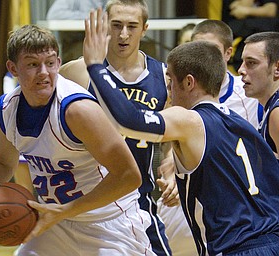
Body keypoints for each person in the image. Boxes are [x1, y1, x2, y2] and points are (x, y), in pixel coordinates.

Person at [83, 9, 279, 255]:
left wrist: (95, 66)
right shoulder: (241, 123)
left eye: (170, 82)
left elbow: (129, 121)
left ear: (188, 82)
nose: (167, 91)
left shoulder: (191, 118)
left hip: (236, 247)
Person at [0, 24, 156, 256]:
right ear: (13, 68)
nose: (44, 72)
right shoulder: (7, 108)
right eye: (33, 64)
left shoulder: (77, 110)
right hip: (56, 221)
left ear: (58, 62)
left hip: (108, 222)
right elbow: (4, 162)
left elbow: (129, 176)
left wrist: (65, 211)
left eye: (50, 62)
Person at [60, 1, 174, 255]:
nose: (123, 34)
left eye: (132, 26)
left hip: (138, 202)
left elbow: (175, 137)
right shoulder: (76, 73)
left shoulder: (164, 77)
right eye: (116, 25)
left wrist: (173, 167)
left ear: (144, 29)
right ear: (105, 27)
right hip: (86, 206)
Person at [157, 19, 262, 256]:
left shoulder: (249, 93)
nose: (200, 56)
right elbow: (171, 147)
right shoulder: (176, 92)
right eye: (195, 48)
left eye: (210, 49)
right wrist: (171, 173)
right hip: (187, 197)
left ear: (227, 53)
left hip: (235, 208)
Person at [238, 31, 279, 159]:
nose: (241, 70)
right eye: (243, 62)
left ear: (277, 69)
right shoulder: (270, 107)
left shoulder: (277, 113)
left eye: (251, 63)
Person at [222, 0, 279, 70]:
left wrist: (247, 11)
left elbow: (271, 10)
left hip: (264, 31)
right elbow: (236, 10)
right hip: (237, 30)